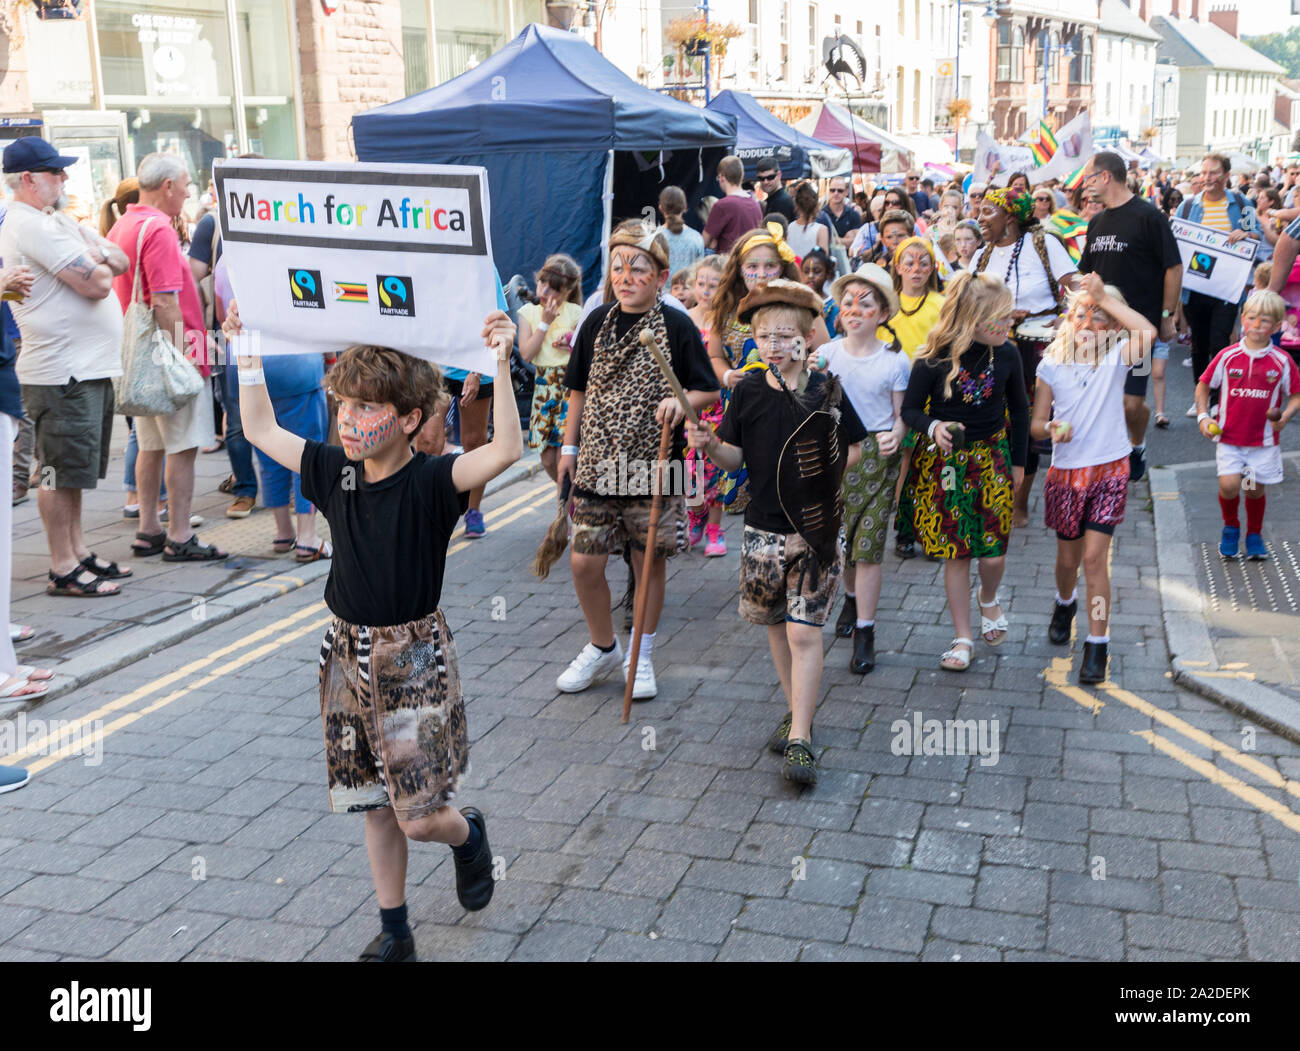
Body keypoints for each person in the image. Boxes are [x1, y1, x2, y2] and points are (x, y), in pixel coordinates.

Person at [222, 293, 519, 964]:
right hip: (344, 652)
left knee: (419, 818)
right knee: (373, 805)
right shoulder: (333, 470)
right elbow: (260, 427)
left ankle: (467, 834)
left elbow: (506, 447)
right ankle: (396, 930)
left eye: (367, 407)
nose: (349, 420)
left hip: (412, 659)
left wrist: (499, 361)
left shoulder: (435, 480)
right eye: (344, 405)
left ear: (410, 418)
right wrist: (246, 346)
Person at [686, 279, 865, 786]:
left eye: (786, 336)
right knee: (775, 628)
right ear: (753, 341)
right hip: (761, 531)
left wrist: (826, 475)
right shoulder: (744, 391)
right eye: (764, 337)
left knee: (803, 633)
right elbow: (733, 458)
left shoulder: (826, 388)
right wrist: (706, 446)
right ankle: (795, 711)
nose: (774, 347)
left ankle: (802, 739)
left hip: (816, 534)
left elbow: (853, 448)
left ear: (808, 338)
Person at [555, 224, 719, 700]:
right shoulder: (596, 321)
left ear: (662, 276)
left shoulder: (676, 324)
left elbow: (708, 387)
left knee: (647, 564)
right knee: (585, 562)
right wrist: (568, 450)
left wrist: (682, 400)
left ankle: (641, 655)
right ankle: (603, 645)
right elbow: (577, 391)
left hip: (654, 462)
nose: (626, 277)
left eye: (639, 269)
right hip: (597, 462)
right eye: (618, 267)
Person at [0, 137, 134, 598]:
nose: (64, 178)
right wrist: (96, 258)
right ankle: (61, 566)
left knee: (74, 470)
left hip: (83, 369)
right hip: (60, 372)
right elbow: (98, 283)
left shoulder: (56, 220)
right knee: (55, 470)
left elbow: (119, 259)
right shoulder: (31, 225)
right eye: (55, 172)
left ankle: (77, 551)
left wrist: (95, 256)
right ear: (29, 180)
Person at [900, 272, 1029, 671]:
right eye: (1002, 317)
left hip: (992, 459)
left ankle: (988, 598)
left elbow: (1021, 410)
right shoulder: (932, 357)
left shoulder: (1007, 354)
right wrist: (932, 427)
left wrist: (1020, 463)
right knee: (956, 553)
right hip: (945, 466)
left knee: (992, 554)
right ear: (973, 318)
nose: (1009, 324)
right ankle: (962, 637)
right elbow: (909, 410)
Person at [1032, 274, 1154, 685]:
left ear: (1115, 326)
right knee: (1068, 560)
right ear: (1070, 318)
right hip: (1066, 475)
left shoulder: (1119, 354)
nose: (1088, 323)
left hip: (1110, 470)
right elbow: (1034, 425)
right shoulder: (1051, 364)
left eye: (1099, 316)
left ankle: (1097, 643)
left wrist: (1104, 296)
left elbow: (1148, 331)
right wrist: (1050, 429)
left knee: (1093, 559)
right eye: (1081, 314)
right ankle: (1064, 602)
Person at [106, 152, 227, 564]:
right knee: (184, 446)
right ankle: (178, 534)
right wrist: (191, 353)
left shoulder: (125, 223)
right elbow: (164, 302)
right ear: (168, 187)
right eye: (186, 184)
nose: (190, 192)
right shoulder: (157, 228)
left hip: (141, 358)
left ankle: (148, 529)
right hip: (169, 357)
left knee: (150, 444)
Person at [707, 224, 831, 529]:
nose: (761, 273)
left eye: (770, 266)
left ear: (783, 268)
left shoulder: (801, 304)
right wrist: (726, 376)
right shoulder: (726, 308)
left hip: (790, 404)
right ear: (738, 270)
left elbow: (826, 350)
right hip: (744, 407)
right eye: (752, 266)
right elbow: (714, 354)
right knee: (747, 487)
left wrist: (812, 363)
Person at [971, 185, 1078, 528]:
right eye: (980, 211)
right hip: (991, 346)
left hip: (1036, 347)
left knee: (1025, 423)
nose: (979, 218)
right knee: (990, 420)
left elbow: (1076, 285)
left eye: (988, 212)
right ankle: (989, 492)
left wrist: (1066, 316)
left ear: (1011, 217)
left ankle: (1019, 502)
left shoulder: (1043, 244)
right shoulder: (980, 256)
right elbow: (967, 301)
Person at [1077, 151, 1183, 483]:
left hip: (1139, 327)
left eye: (1089, 178)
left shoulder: (1148, 216)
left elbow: (1173, 267)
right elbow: (1086, 272)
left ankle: (1136, 445)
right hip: (1098, 328)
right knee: (1102, 396)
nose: (1086, 185)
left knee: (1130, 404)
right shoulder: (1096, 222)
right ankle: (1108, 453)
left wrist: (1167, 314)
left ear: (1106, 176)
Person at [824, 265, 908, 674]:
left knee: (869, 547)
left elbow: (900, 414)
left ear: (882, 314)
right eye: (848, 303)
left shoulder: (895, 360)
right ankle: (851, 599)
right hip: (835, 454)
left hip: (876, 457)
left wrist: (898, 431)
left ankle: (865, 631)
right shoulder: (826, 356)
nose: (855, 310)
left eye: (866, 303)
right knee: (844, 546)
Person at [1195, 290, 1300, 561]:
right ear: (1243, 320)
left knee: (1252, 488)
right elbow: (1204, 385)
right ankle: (1231, 527)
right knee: (1229, 485)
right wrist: (1203, 417)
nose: (1256, 325)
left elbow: (1295, 395)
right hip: (1230, 440)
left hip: (1261, 444)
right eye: (1252, 318)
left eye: (1264, 321)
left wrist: (1286, 416)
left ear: (1277, 326)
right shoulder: (1228, 357)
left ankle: (1254, 534)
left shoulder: (1282, 361)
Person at [1176, 154, 1261, 420]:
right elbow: (1177, 240)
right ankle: (1199, 396)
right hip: (1195, 288)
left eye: (1214, 173)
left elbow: (1257, 235)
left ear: (1226, 176)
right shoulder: (1188, 206)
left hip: (1227, 289)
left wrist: (1246, 234)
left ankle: (1216, 400)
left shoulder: (1241, 202)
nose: (1208, 178)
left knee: (1219, 342)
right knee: (1198, 345)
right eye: (1204, 173)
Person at [887, 236, 946, 559]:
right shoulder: (888, 304)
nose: (916, 269)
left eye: (923, 263)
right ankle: (905, 528)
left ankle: (933, 530)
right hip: (898, 395)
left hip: (934, 394)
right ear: (898, 267)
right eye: (908, 263)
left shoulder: (940, 303)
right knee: (906, 463)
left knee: (935, 465)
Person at [517, 254, 583, 483]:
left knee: (564, 456)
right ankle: (570, 497)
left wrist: (573, 341)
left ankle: (563, 513)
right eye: (542, 283)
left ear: (567, 291)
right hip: (544, 389)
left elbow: (586, 352)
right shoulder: (528, 313)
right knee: (546, 459)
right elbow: (526, 353)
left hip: (570, 389)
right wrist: (544, 323)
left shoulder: (576, 313)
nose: (544, 292)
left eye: (553, 288)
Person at [704, 156, 764, 253]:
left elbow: (704, 241)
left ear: (722, 178)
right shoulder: (755, 203)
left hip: (729, 263)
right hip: (750, 261)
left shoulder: (722, 205)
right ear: (742, 175)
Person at [658, 185, 706, 277]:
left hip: (660, 290)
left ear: (661, 208)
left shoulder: (654, 237)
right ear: (684, 207)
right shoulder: (696, 238)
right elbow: (699, 272)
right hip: (689, 289)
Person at [786, 181, 830, 260]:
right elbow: (824, 261)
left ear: (796, 204)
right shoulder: (821, 230)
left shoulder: (790, 227)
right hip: (811, 271)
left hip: (793, 271)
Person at [799, 247, 838, 333]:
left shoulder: (834, 307)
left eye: (817, 271)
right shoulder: (795, 302)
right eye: (806, 271)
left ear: (827, 274)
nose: (810, 276)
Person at [821, 175, 862, 253]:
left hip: (848, 261)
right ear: (828, 191)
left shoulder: (853, 214)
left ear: (846, 192)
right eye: (832, 190)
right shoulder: (821, 215)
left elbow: (857, 242)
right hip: (826, 260)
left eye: (840, 190)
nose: (836, 193)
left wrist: (832, 239)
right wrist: (846, 240)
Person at [755, 157, 795, 223]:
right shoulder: (774, 200)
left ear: (779, 175)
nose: (765, 182)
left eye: (770, 177)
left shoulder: (782, 202)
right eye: (761, 178)